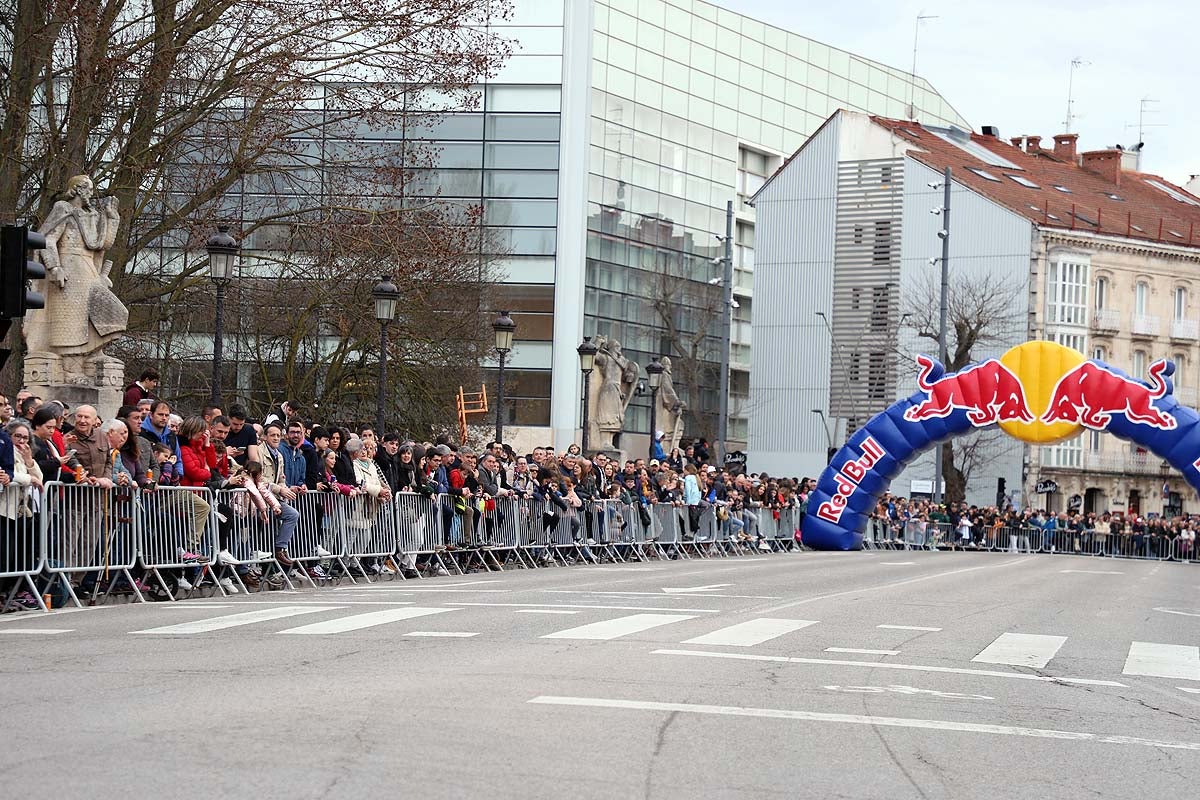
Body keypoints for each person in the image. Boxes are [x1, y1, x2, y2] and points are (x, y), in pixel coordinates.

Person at [1, 420, 43, 610]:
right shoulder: (6, 450)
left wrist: (29, 461)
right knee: (4, 555)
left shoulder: (25, 453)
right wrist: (29, 478)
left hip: (21, 510)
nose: (21, 441)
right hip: (5, 508)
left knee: (17, 556)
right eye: (17, 436)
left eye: (25, 437)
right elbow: (9, 475)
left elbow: (40, 478)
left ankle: (9, 593)